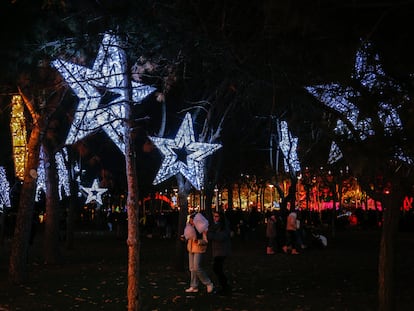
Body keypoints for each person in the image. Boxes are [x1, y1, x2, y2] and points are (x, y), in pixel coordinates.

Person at [183, 213, 214, 294]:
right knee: (192, 268)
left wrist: (199, 241)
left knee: (197, 267)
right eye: (190, 219)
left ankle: (208, 282)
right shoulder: (190, 227)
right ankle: (194, 286)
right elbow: (188, 236)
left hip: (198, 248)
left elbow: (206, 240)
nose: (191, 221)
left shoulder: (202, 228)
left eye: (192, 219)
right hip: (191, 248)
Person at [207, 211, 232, 295]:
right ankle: (224, 285)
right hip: (217, 250)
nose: (215, 218)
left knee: (217, 268)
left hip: (222, 250)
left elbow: (221, 237)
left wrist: (212, 235)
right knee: (217, 268)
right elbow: (210, 234)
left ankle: (224, 286)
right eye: (214, 216)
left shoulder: (224, 226)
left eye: (217, 216)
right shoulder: (215, 226)